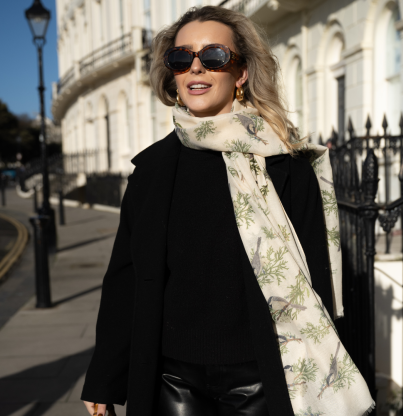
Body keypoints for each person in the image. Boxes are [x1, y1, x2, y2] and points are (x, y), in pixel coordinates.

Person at [81, 5, 375, 416]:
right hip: (172, 375)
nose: (196, 69)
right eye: (182, 59)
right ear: (172, 73)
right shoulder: (151, 172)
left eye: (214, 56)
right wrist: (104, 377)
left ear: (241, 74)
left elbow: (317, 285)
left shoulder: (287, 166)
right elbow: (126, 279)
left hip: (264, 376)